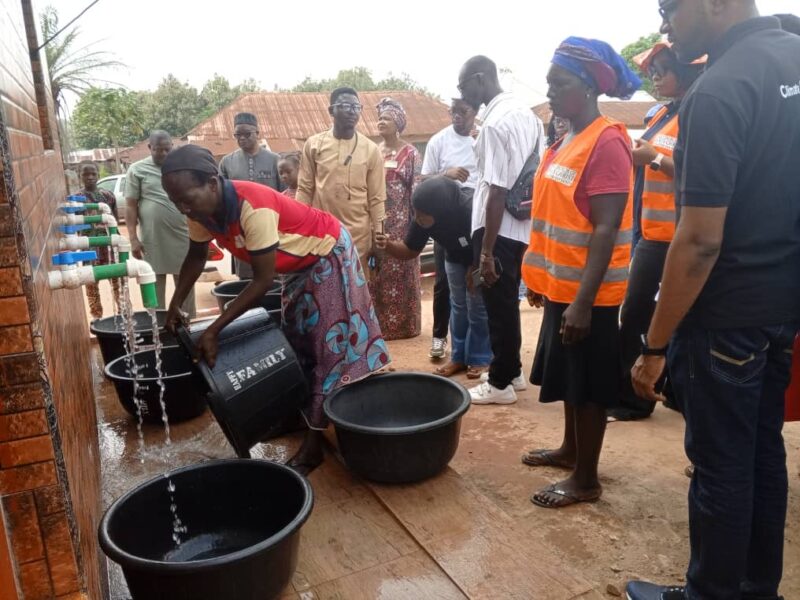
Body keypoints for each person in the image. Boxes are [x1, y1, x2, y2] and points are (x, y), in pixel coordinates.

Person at [627, 2, 800, 599]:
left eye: (669, 8)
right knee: (761, 453)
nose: (665, 24)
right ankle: (756, 590)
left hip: (724, 317)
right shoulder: (794, 59)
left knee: (720, 469)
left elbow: (698, 241)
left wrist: (653, 346)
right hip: (780, 309)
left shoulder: (720, 88)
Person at [161, 145, 389, 474]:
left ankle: (313, 446)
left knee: (327, 346)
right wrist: (174, 304)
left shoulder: (252, 205)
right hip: (296, 267)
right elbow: (197, 256)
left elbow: (262, 281)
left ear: (212, 183)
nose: (182, 207)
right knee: (297, 343)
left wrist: (213, 330)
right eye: (174, 201)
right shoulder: (200, 211)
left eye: (186, 198)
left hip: (328, 253)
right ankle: (302, 415)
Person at [521, 37, 640, 509]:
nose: (550, 91)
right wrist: (543, 282)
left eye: (560, 83)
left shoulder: (607, 139)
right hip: (562, 285)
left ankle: (586, 479)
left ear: (588, 87)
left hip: (591, 295)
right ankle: (571, 451)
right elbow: (556, 216)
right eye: (549, 82)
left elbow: (607, 226)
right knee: (572, 377)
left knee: (589, 386)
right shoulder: (566, 138)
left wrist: (584, 303)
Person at [608, 42, 705, 422]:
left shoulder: (698, 112)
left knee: (673, 317)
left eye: (663, 69)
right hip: (650, 233)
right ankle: (637, 395)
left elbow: (701, 170)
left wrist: (655, 158)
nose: (656, 76)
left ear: (684, 71)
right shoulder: (662, 113)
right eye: (653, 70)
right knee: (636, 313)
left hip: (678, 236)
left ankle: (668, 393)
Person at [457, 55, 544, 404]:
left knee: (497, 305)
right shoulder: (527, 115)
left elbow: (496, 189)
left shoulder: (494, 123)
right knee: (507, 301)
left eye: (463, 86)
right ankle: (514, 372)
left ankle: (499, 383)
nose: (461, 93)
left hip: (495, 227)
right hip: (520, 225)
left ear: (480, 79)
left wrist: (486, 252)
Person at [375, 177, 491, 378]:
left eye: (422, 215)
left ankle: (480, 358)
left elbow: (486, 241)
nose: (417, 219)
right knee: (459, 305)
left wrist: (476, 270)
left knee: (477, 305)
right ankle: (458, 357)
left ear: (440, 211)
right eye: (416, 214)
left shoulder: (469, 208)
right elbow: (410, 250)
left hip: (480, 256)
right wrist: (388, 245)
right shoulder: (423, 213)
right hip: (454, 257)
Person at [296, 87, 386, 274]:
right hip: (322, 235)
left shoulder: (371, 150)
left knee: (356, 295)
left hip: (358, 238)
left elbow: (377, 199)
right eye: (346, 106)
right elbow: (304, 189)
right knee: (324, 293)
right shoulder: (314, 145)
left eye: (356, 107)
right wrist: (299, 229)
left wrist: (379, 238)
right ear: (331, 111)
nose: (352, 111)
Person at [420, 98, 480, 363]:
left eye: (463, 112)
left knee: (477, 284)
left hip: (479, 218)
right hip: (448, 219)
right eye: (453, 111)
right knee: (444, 281)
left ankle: (476, 350)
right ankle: (439, 336)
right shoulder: (438, 141)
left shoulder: (485, 137)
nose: (457, 116)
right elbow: (424, 180)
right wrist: (447, 174)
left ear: (475, 112)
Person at [125, 131, 195, 317]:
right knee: (153, 281)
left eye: (167, 149)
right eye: (158, 150)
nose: (163, 154)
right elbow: (131, 206)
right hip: (152, 237)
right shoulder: (137, 169)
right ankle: (156, 327)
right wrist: (133, 238)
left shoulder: (180, 168)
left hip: (182, 234)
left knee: (186, 281)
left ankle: (188, 327)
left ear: (172, 147)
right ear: (149, 148)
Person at [369, 97, 421, 341]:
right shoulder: (373, 152)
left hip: (402, 225)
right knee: (378, 273)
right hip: (378, 222)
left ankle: (405, 327)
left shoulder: (410, 153)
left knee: (402, 272)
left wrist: (415, 226)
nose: (381, 122)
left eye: (387, 119)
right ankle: (380, 327)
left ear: (398, 124)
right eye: (380, 118)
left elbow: (416, 190)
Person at [219, 112, 282, 279]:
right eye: (237, 135)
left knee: (273, 276)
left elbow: (285, 196)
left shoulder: (276, 160)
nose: (242, 138)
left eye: (247, 134)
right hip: (240, 229)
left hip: (272, 228)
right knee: (246, 278)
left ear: (258, 133)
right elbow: (221, 200)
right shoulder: (227, 162)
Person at [78, 162, 120, 319]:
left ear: (98, 175)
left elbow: (114, 221)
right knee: (91, 284)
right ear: (80, 176)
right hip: (88, 247)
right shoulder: (77, 199)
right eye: (85, 174)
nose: (90, 177)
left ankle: (123, 315)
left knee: (117, 281)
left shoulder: (108, 195)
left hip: (108, 246)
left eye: (93, 174)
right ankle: (97, 318)